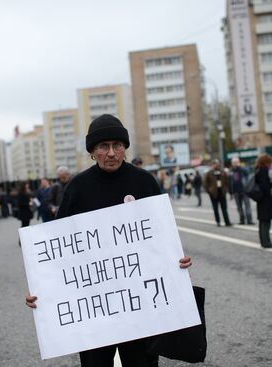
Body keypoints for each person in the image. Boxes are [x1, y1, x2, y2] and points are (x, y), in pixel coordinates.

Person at [25, 114, 192, 367]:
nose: (111, 152)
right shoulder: (77, 188)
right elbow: (58, 249)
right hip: (94, 307)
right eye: (103, 146)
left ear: (125, 148)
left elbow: (161, 236)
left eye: (118, 145)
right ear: (92, 151)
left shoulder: (144, 181)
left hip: (140, 303)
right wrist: (42, 290)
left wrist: (176, 262)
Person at [254, 154, 272, 248]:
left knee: (262, 221)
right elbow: (265, 185)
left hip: (260, 199)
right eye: (270, 162)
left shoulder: (258, 169)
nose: (271, 164)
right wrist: (270, 190)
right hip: (265, 199)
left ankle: (264, 242)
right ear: (266, 162)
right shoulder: (264, 170)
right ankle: (267, 242)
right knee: (266, 222)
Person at [204, 159, 232, 227]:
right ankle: (218, 221)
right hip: (213, 193)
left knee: (224, 208)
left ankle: (227, 222)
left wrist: (226, 189)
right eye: (214, 164)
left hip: (222, 192)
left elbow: (226, 181)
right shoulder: (209, 173)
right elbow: (205, 183)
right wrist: (209, 191)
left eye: (217, 164)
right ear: (212, 165)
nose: (216, 165)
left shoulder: (222, 172)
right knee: (215, 208)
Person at [228, 157, 254, 225]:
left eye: (236, 162)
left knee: (247, 206)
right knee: (239, 207)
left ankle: (249, 220)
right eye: (234, 163)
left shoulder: (242, 169)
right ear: (232, 164)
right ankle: (242, 220)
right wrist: (231, 193)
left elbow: (248, 174)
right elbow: (229, 182)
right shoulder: (231, 171)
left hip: (244, 191)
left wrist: (240, 167)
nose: (235, 164)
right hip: (236, 191)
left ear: (239, 162)